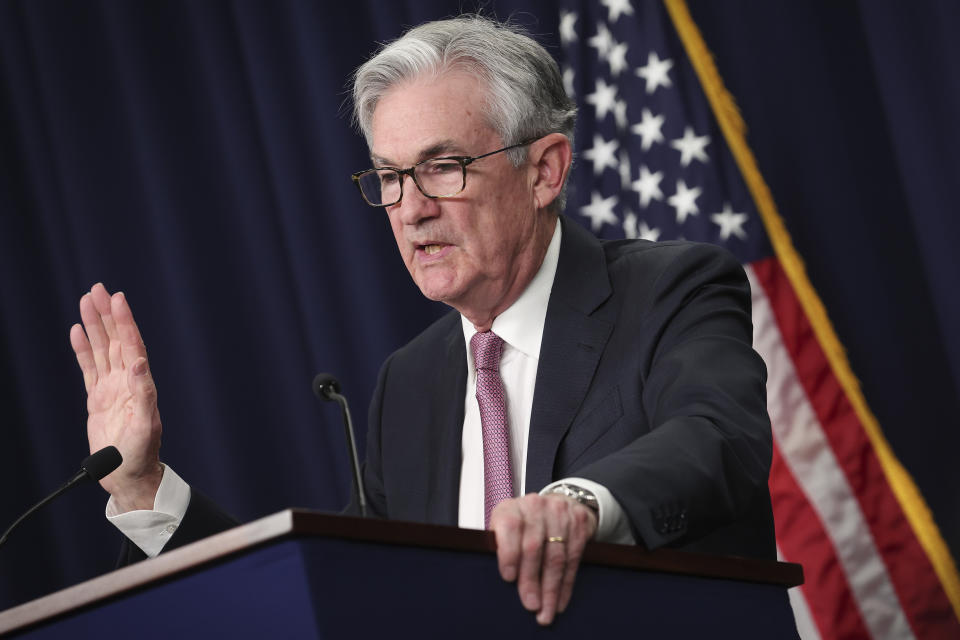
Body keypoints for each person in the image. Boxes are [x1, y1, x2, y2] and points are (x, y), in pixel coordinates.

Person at [70, 16, 775, 627]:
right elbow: (323, 588)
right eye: (389, 176)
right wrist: (142, 487)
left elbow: (716, 439)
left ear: (546, 171)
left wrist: (578, 505)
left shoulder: (668, 290)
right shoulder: (410, 385)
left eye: (443, 166)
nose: (410, 208)